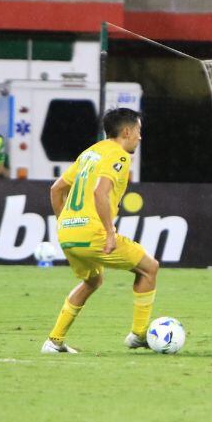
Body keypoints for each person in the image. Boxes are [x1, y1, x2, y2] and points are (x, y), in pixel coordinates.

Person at [42, 108, 159, 353]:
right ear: (127, 131)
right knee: (149, 268)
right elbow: (99, 192)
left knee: (93, 280)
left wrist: (63, 223)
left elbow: (56, 189)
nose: (140, 137)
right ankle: (138, 335)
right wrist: (109, 232)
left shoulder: (90, 153)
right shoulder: (120, 156)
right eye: (138, 131)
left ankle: (54, 341)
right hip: (91, 232)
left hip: (67, 233)